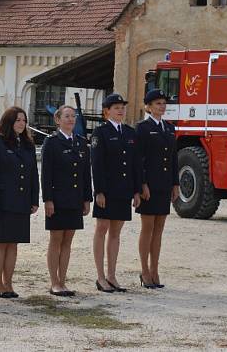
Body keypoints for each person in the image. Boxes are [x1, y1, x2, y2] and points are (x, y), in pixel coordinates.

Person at [0, 107, 39, 298]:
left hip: (21, 201)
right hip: (1, 201)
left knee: (13, 244)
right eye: (17, 120)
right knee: (0, 243)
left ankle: (8, 282)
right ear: (8, 122)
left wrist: (34, 199)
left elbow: (33, 174)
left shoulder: (27, 144)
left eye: (24, 121)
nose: (21, 124)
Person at [91, 93, 141, 293]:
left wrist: (136, 190)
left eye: (122, 107)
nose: (120, 110)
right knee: (102, 228)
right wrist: (99, 191)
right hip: (107, 189)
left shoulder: (129, 133)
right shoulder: (100, 133)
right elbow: (97, 164)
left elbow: (135, 164)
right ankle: (100, 276)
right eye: (116, 107)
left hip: (123, 189)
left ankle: (112, 275)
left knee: (116, 232)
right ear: (107, 111)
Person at [41, 105, 92, 296]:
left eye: (74, 116)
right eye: (67, 116)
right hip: (57, 199)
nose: (71, 119)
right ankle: (54, 282)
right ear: (58, 120)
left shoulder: (80, 143)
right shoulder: (52, 143)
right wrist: (48, 200)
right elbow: (46, 175)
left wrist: (87, 198)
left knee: (68, 241)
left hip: (75, 199)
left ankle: (63, 280)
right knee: (56, 239)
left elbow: (86, 174)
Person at [135, 89, 180, 289]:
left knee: (159, 230)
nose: (162, 106)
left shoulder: (169, 129)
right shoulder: (142, 128)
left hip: (164, 184)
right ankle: (144, 270)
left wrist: (175, 183)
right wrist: (142, 183)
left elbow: (173, 158)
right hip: (149, 186)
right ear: (148, 106)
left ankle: (155, 269)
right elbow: (139, 159)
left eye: (163, 103)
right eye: (157, 103)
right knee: (148, 228)